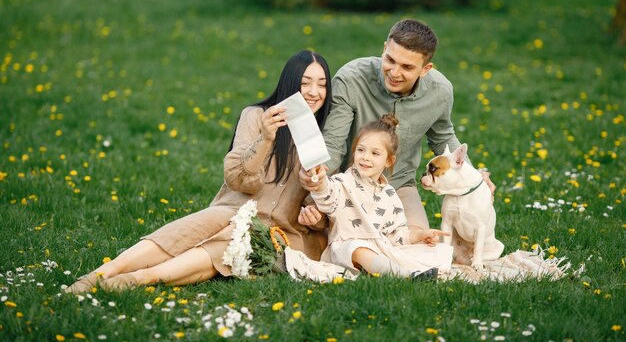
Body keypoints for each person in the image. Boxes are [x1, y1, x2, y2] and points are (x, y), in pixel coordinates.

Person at [66, 50, 332, 293]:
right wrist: (265, 139)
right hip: (234, 207)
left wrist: (314, 213)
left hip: (278, 232)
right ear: (289, 83)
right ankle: (99, 274)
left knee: (235, 239)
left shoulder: (325, 140)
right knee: (191, 228)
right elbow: (240, 180)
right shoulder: (256, 117)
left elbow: (323, 212)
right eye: (305, 82)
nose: (313, 92)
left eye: (321, 84)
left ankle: (137, 280)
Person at [300, 19, 495, 231]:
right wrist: (318, 179)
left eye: (407, 67)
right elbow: (334, 142)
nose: (394, 72)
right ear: (384, 48)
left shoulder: (440, 91)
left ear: (425, 69)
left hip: (398, 185)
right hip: (346, 184)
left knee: (420, 245)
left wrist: (472, 174)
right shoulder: (351, 79)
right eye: (390, 60)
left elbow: (443, 137)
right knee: (321, 231)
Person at [308, 114, 451, 278]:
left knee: (432, 251)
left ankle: (398, 270)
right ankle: (406, 276)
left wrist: (419, 235)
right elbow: (326, 196)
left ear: (389, 161)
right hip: (347, 247)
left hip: (381, 248)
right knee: (358, 249)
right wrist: (319, 182)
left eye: (375, 153)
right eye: (360, 150)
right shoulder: (341, 182)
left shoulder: (389, 194)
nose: (365, 157)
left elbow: (395, 234)